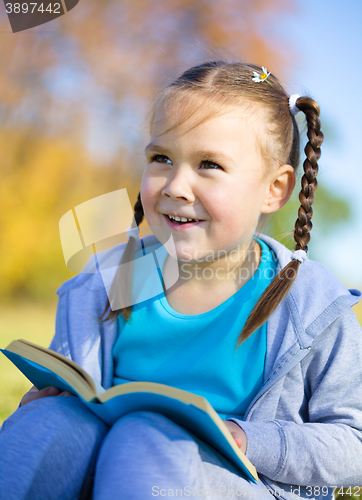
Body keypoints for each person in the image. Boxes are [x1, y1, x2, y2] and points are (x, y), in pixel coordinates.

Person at [1, 61, 362, 500]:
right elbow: (74, 392)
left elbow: (354, 443)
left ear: (275, 189)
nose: (175, 185)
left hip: (231, 483)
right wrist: (45, 402)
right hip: (108, 469)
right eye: (161, 159)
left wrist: (248, 439)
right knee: (48, 424)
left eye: (208, 164)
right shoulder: (110, 281)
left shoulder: (307, 302)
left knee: (146, 436)